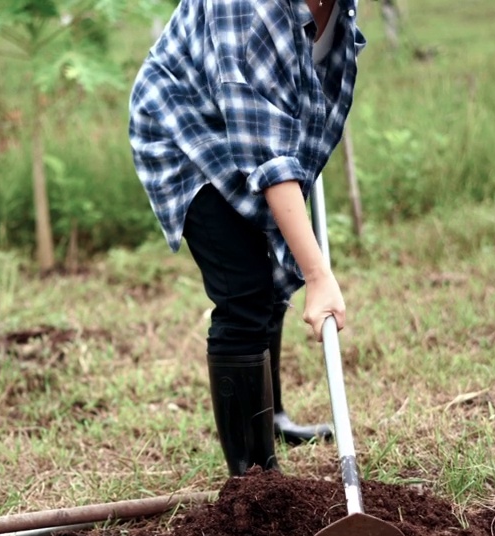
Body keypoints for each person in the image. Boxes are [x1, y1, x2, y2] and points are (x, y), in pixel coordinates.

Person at [129, 0, 365, 477]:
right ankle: (253, 482)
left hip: (257, 132)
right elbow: (269, 157)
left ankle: (270, 418)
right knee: (243, 291)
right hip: (188, 129)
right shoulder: (246, 4)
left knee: (272, 270)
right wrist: (319, 275)